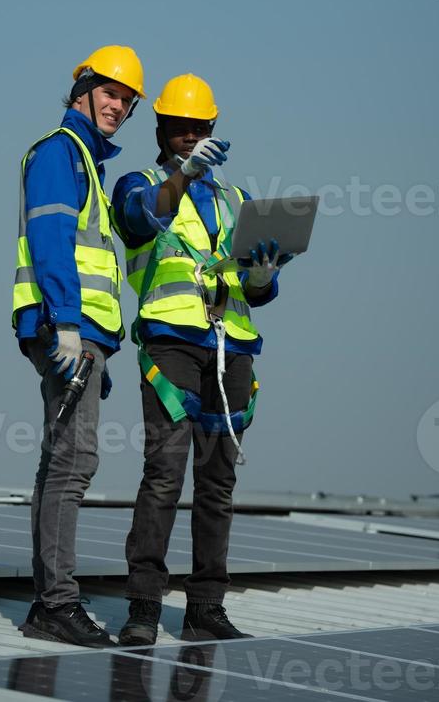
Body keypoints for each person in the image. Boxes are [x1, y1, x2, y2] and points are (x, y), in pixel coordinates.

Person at [111, 73, 291, 646]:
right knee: (164, 475)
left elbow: (252, 290)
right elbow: (140, 221)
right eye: (180, 128)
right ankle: (143, 606)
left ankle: (205, 607)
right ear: (161, 129)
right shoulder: (137, 183)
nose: (190, 137)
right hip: (172, 345)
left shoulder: (236, 200)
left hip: (230, 347)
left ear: (211, 129)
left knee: (218, 483)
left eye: (199, 128)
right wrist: (182, 177)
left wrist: (264, 276)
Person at [12, 45, 146, 648]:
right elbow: (51, 238)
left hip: (83, 339)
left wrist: (94, 348)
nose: (119, 105)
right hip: (67, 331)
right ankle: (57, 604)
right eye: (111, 92)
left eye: (128, 99)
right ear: (83, 90)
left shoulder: (86, 160)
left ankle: (52, 599)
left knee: (60, 462)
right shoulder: (59, 152)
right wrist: (68, 324)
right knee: (73, 462)